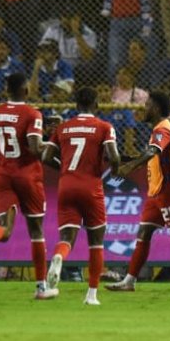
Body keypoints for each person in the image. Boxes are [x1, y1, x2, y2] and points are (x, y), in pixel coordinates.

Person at [0, 73, 52, 299]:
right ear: (26, 90)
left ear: (6, 90)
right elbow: (35, 148)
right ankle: (41, 287)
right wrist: (51, 141)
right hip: (28, 177)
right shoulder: (33, 113)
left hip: (4, 175)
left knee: (4, 230)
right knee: (36, 231)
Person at [106, 91, 170, 291]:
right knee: (144, 233)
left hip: (168, 191)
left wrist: (130, 166)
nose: (143, 108)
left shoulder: (163, 129)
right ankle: (129, 282)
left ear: (155, 108)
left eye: (147, 105)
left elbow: (154, 150)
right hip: (156, 192)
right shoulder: (158, 129)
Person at [43, 86, 121, 305]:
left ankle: (58, 257)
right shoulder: (104, 127)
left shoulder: (63, 127)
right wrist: (115, 172)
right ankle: (91, 295)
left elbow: (46, 157)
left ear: (76, 105)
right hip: (91, 187)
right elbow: (114, 157)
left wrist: (64, 168)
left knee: (67, 238)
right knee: (96, 242)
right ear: (96, 105)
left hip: (66, 185)